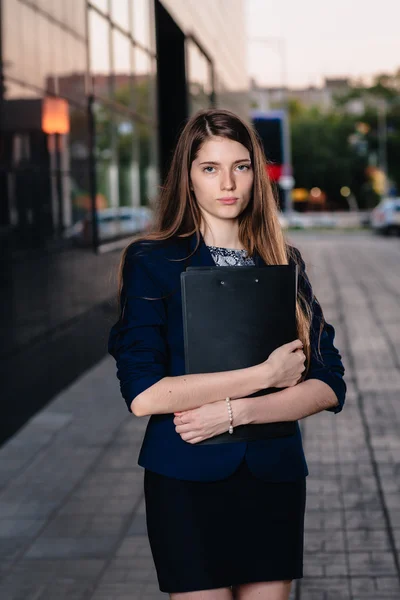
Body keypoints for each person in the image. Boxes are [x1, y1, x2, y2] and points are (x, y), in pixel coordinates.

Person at [108, 108, 346, 600]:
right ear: (188, 177)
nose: (228, 183)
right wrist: (264, 373)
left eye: (241, 166)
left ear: (257, 173)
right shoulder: (152, 261)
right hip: (186, 477)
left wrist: (237, 412)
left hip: (273, 473)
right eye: (210, 168)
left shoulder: (283, 260)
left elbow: (328, 383)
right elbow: (145, 395)